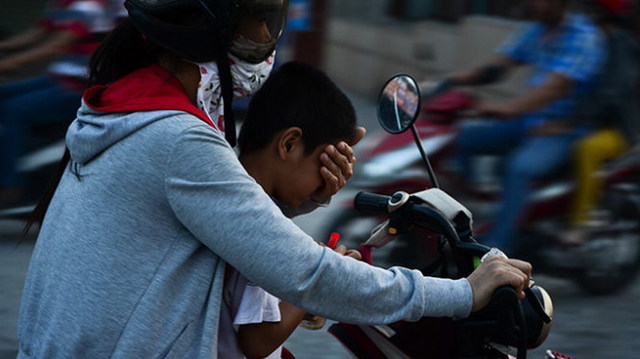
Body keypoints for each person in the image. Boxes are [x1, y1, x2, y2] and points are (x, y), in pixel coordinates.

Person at [17, 1, 533, 358]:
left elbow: (234, 239)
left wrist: (293, 204)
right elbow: (308, 276)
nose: (264, 54)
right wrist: (462, 292)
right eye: (255, 26)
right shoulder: (177, 141)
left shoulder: (120, 114)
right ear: (208, 35)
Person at [221, 61, 363, 359]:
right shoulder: (258, 223)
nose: (329, 178)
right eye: (321, 165)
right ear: (289, 143)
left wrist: (303, 295)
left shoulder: (232, 199)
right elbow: (256, 340)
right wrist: (323, 274)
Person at [448, 0, 607, 255]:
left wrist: (509, 108)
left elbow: (556, 87)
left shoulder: (584, 38)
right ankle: (471, 213)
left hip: (562, 129)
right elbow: (499, 64)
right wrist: (449, 81)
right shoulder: (537, 30)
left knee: (519, 168)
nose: (531, 4)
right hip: (530, 121)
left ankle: (497, 248)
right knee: (462, 138)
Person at [0, 0, 126, 206]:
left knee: (13, 111)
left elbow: (56, 44)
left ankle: (10, 185)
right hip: (57, 78)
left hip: (77, 86)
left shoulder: (86, 7)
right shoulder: (61, 5)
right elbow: (35, 34)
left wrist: (10, 62)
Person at [562, 0, 640, 245]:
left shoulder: (622, 46)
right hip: (599, 123)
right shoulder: (604, 44)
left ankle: (582, 222)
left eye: (592, 14)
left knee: (587, 149)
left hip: (621, 131)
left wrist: (575, 119)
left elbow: (611, 93)